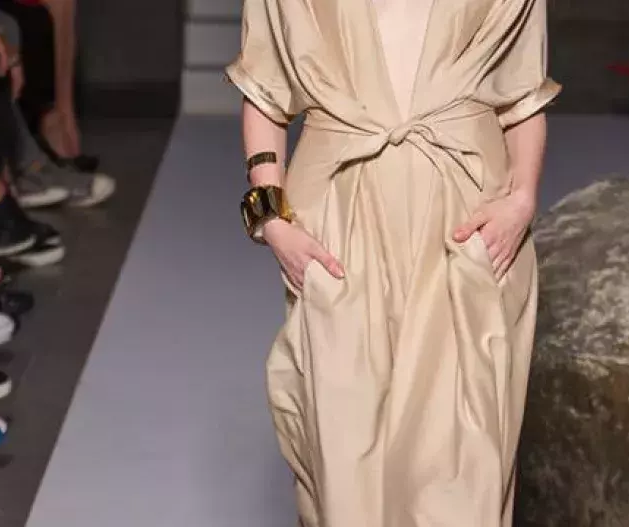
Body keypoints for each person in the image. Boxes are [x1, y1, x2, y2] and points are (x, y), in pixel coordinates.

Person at [226, 0, 559, 524]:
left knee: (465, 455)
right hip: (339, 224)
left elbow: (522, 95)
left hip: (465, 223)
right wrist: (271, 220)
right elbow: (264, 91)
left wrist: (521, 202)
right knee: (344, 453)